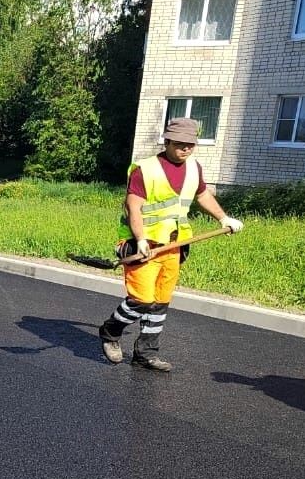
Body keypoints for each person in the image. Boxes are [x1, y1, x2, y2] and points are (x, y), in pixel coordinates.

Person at [99, 117, 243, 371]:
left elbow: (202, 194)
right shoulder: (146, 169)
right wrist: (141, 238)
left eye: (190, 144)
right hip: (143, 245)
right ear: (167, 141)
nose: (186, 148)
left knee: (160, 302)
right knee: (141, 299)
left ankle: (146, 353)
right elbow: (134, 207)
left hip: (173, 245)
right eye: (180, 143)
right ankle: (110, 332)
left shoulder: (193, 168)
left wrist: (223, 217)